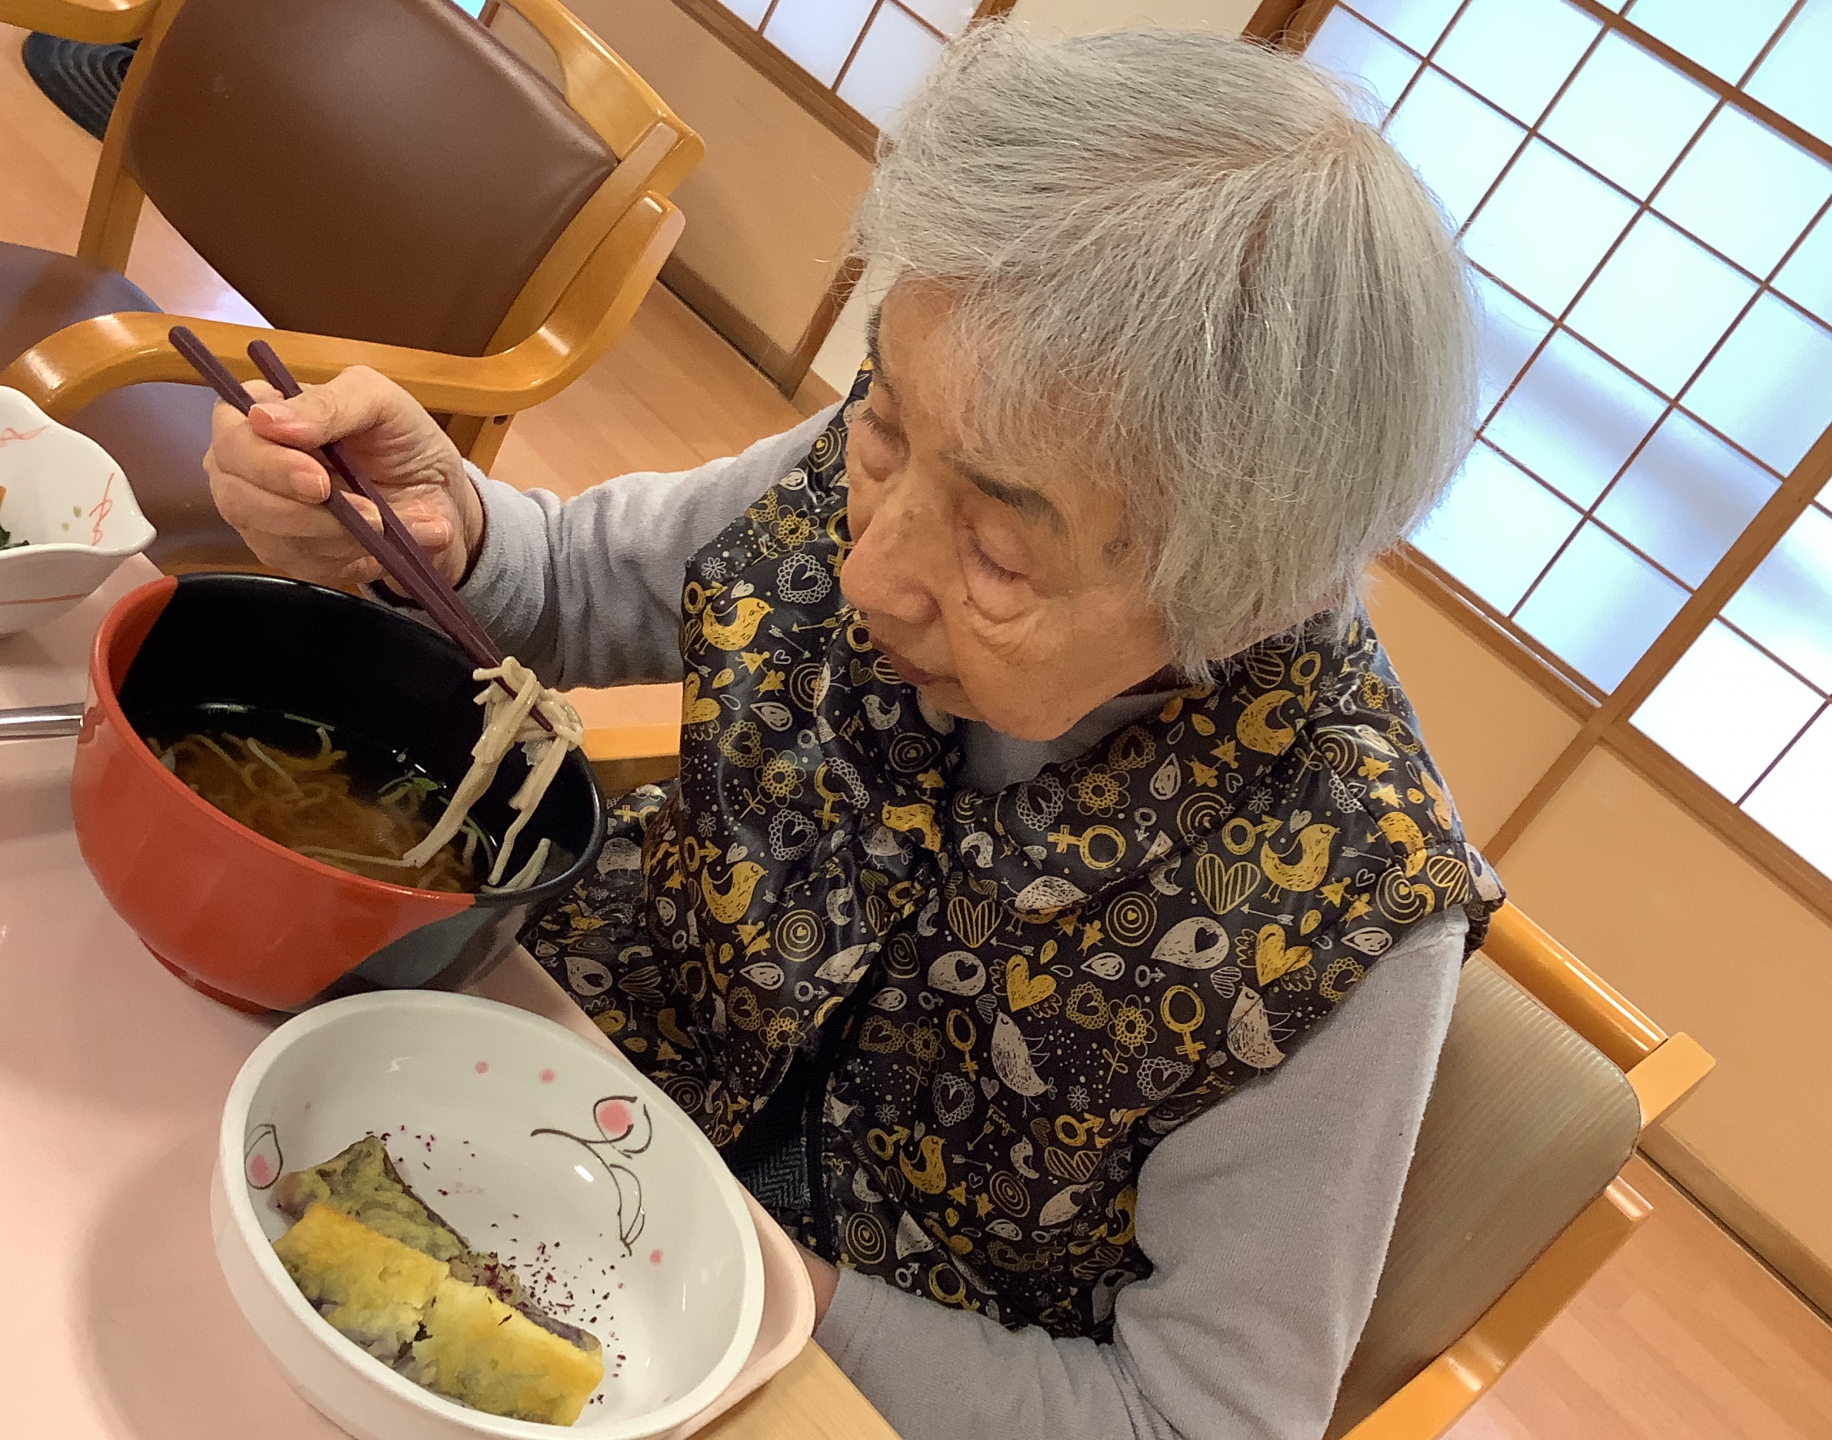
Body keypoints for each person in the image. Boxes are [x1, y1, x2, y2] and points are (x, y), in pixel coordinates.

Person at [206, 23, 1503, 1440]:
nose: (871, 566)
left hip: (834, 1373)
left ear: (1250, 595)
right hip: (537, 1088)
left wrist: (769, 1292)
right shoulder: (936, 445)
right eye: (883, 421)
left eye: (999, 554)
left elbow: (1199, 1420)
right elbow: (579, 583)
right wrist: (447, 529)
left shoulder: (1348, 912)